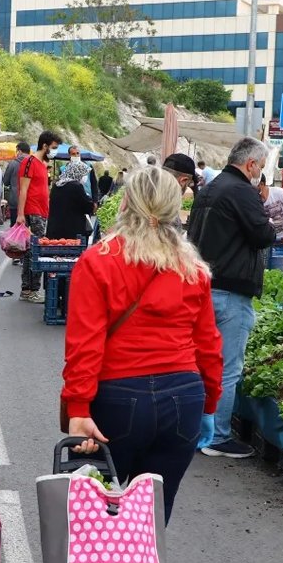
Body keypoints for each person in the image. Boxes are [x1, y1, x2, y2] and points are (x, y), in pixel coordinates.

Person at [63, 166, 223, 524]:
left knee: (106, 515)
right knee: (153, 518)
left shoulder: (98, 261)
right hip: (184, 397)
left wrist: (79, 409)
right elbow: (208, 344)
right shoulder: (191, 267)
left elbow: (84, 345)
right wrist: (209, 405)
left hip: (119, 396)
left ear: (125, 203)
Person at [186, 137, 275, 459]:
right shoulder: (241, 191)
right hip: (230, 290)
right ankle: (217, 436)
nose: (260, 175)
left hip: (203, 285)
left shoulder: (209, 187)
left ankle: (196, 430)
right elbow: (264, 235)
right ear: (250, 164)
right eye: (260, 168)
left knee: (200, 363)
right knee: (226, 367)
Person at [17, 130, 63, 303]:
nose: (55, 151)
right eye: (54, 147)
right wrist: (21, 214)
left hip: (41, 211)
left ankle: (28, 290)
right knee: (36, 251)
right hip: (32, 211)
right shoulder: (29, 161)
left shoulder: (42, 164)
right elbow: (23, 189)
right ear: (45, 145)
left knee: (32, 252)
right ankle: (31, 289)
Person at [47, 159, 95, 241]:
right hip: (71, 231)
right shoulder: (76, 186)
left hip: (54, 230)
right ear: (77, 172)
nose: (84, 177)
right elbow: (88, 207)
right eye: (83, 174)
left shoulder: (56, 185)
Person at [3, 142, 29, 224]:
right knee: (28, 229)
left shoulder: (13, 163)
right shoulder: (34, 162)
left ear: (20, 151)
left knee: (15, 227)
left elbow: (5, 182)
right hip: (30, 200)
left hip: (15, 200)